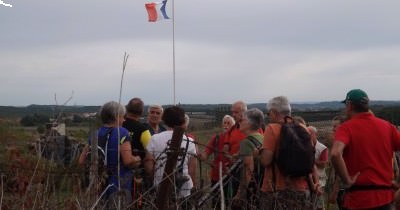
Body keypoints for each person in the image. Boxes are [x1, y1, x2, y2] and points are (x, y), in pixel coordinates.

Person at [331, 89, 400, 210]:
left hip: (358, 199)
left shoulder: (346, 128)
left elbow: (336, 153)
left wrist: (347, 180)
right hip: (385, 198)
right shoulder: (388, 126)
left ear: (349, 105)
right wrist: (398, 181)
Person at [78, 101, 141, 209]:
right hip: (119, 184)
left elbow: (81, 161)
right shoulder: (122, 132)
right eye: (122, 117)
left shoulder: (95, 133)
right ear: (117, 117)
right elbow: (128, 161)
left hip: (97, 184)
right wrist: (137, 159)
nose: (124, 120)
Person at [259, 96, 314, 210]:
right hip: (301, 187)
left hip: (276, 188)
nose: (269, 117)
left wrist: (258, 153)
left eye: (269, 113)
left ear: (274, 112)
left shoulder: (272, 128)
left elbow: (266, 161)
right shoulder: (303, 128)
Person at [144, 106, 197, 209]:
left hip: (160, 187)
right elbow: (192, 170)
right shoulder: (189, 141)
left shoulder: (154, 139)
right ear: (182, 120)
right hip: (184, 189)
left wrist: (154, 177)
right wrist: (194, 186)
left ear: (164, 120)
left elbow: (149, 166)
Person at [199, 114, 235, 208]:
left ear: (234, 125)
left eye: (229, 123)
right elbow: (206, 153)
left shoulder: (236, 138)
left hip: (234, 176)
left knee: (233, 203)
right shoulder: (216, 138)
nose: (226, 125)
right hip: (217, 176)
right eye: (224, 123)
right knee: (217, 203)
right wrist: (200, 154)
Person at [232, 108, 265, 209]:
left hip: (252, 188)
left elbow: (248, 170)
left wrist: (239, 194)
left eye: (242, 120)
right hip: (263, 185)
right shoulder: (262, 137)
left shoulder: (246, 143)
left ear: (250, 123)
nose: (239, 122)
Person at [122, 97, 152, 207]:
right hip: (136, 175)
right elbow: (150, 152)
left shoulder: (118, 125)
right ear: (141, 112)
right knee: (134, 204)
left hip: (113, 171)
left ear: (127, 109)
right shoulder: (143, 130)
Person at [309, 126, 329, 210]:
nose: (308, 135)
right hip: (309, 180)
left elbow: (324, 164)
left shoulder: (322, 148)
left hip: (319, 180)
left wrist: (311, 160)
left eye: (310, 134)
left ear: (315, 135)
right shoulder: (305, 146)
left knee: (319, 205)